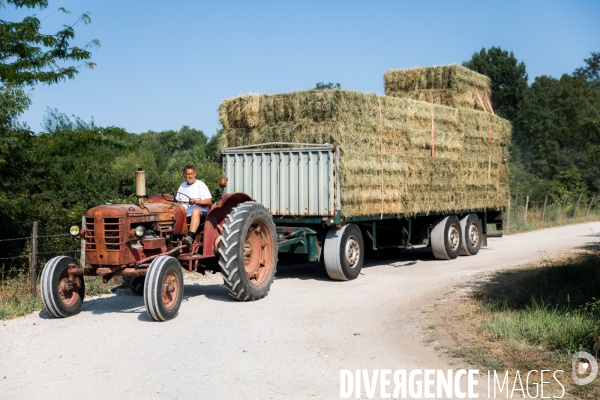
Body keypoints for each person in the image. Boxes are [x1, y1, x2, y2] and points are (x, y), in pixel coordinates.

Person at [176, 164, 212, 248]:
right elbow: (178, 200)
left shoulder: (201, 185)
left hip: (200, 214)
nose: (190, 176)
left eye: (191, 174)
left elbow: (209, 201)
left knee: (195, 211)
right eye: (188, 174)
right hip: (185, 214)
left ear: (195, 174)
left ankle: (190, 237)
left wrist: (196, 201)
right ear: (184, 175)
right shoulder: (182, 186)